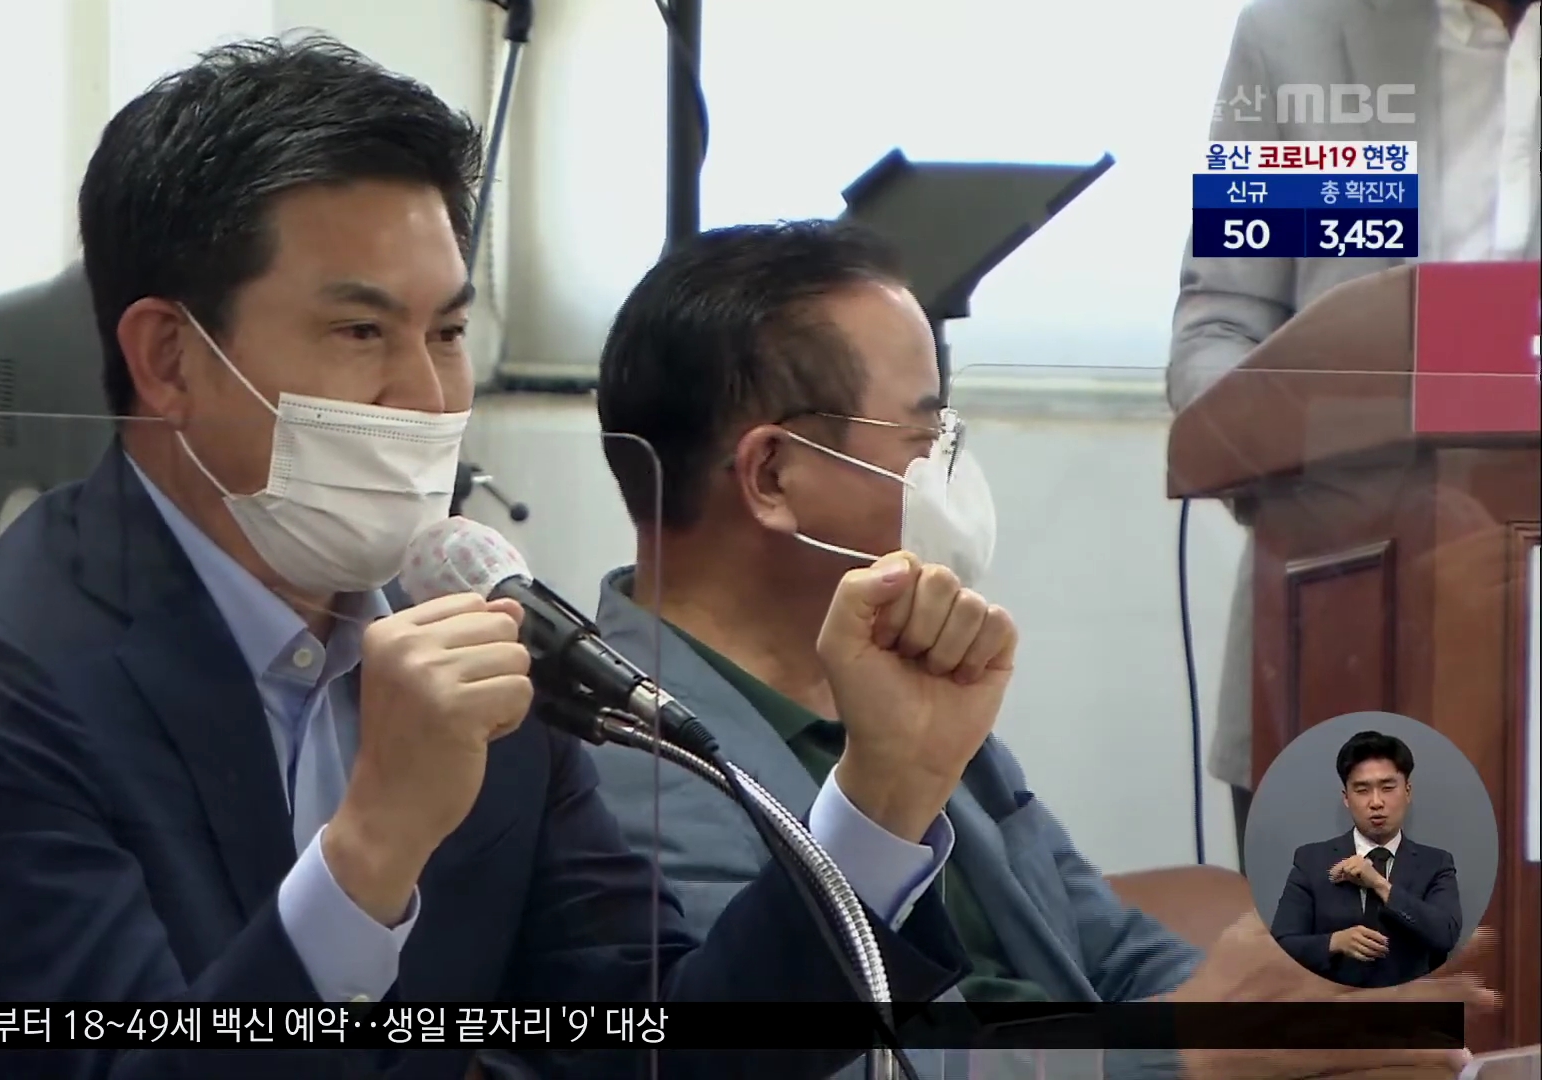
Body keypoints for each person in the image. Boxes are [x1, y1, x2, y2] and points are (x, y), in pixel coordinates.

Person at [0, 39, 989, 1080]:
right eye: (361, 332)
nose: (428, 396)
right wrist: (372, 849)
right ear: (170, 360)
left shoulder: (477, 633)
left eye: (447, 332)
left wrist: (883, 796)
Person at [589, 221, 1494, 1080]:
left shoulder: (908, 677)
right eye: (926, 435)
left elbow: (1107, 948)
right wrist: (1187, 1053)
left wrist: (1294, 1019)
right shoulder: (625, 757)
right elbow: (809, 1063)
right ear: (772, 475)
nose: (952, 471)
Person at [1169, 0, 1540, 865]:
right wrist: (1283, 461)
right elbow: (1224, 327)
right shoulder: (1306, 35)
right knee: (1339, 948)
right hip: (1342, 628)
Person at [1270, 731, 1463, 989]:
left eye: (1388, 788)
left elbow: (1445, 935)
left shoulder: (1436, 863)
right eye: (1362, 790)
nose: (1376, 802)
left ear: (1407, 791)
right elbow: (1282, 945)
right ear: (1346, 798)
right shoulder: (1311, 860)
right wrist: (1334, 942)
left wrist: (1379, 884)